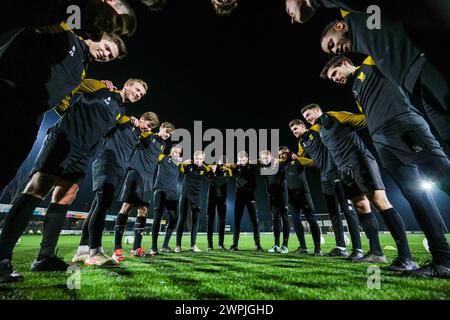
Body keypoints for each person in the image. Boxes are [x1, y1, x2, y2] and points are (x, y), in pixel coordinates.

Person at [0, 77, 145, 283]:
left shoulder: (120, 112)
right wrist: (65, 106)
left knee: (65, 197)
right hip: (65, 140)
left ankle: (45, 257)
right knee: (36, 189)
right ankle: (2, 257)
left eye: (142, 94)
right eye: (137, 89)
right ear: (127, 85)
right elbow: (72, 82)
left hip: (84, 154)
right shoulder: (100, 87)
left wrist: (132, 121)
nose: (138, 94)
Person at [321, 55, 450, 278]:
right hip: (382, 141)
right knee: (414, 194)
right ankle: (442, 260)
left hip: (403, 125)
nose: (335, 79)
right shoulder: (356, 90)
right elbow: (365, 117)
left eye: (335, 74)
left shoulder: (372, 62)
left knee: (444, 176)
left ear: (344, 63)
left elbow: (384, 36)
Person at [0, 21, 127, 191]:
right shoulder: (66, 33)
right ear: (97, 37)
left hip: (32, 117)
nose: (105, 55)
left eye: (110, 56)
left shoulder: (83, 70)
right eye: (106, 48)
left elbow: (64, 97)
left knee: (6, 170)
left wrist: (68, 113)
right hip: (9, 98)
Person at [301, 103, 418, 271]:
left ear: (318, 110)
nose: (308, 119)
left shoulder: (335, 115)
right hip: (344, 170)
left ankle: (406, 257)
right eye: (306, 117)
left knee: (380, 201)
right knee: (361, 206)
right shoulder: (320, 131)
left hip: (360, 162)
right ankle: (376, 252)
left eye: (309, 114)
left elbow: (363, 119)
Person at [319, 13, 450, 146]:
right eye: (332, 51)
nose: (335, 50)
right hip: (390, 128)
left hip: (419, 79)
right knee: (446, 132)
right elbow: (365, 117)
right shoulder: (355, 89)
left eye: (331, 44)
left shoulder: (369, 57)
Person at [71, 110, 157, 265]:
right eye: (148, 125)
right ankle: (95, 251)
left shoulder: (138, 135)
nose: (148, 129)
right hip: (107, 163)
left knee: (97, 206)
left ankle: (82, 250)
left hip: (119, 169)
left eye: (151, 128)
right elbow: (108, 119)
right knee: (102, 205)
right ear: (142, 118)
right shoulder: (125, 121)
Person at [100, 122, 174, 263]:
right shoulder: (147, 135)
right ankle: (117, 248)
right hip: (134, 173)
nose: (167, 135)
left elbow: (157, 159)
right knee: (126, 207)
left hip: (148, 178)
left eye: (170, 134)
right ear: (161, 128)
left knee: (143, 210)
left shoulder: (163, 146)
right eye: (167, 131)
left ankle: (137, 248)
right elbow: (134, 139)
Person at [289, 120, 363, 258]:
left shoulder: (316, 130)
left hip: (338, 172)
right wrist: (296, 158)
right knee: (333, 212)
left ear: (303, 126)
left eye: (296, 128)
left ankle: (358, 249)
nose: (294, 132)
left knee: (347, 210)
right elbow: (300, 158)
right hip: (324, 177)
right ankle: (341, 247)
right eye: (292, 131)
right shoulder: (301, 143)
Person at [278, 146, 322, 254]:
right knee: (296, 221)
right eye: (279, 155)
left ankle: (317, 248)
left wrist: (297, 157)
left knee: (311, 220)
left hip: (304, 195)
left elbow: (314, 162)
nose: (281, 156)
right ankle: (303, 247)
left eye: (283, 153)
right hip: (292, 198)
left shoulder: (298, 160)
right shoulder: (284, 165)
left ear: (288, 152)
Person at [149, 145, 183, 255]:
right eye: (175, 151)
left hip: (172, 193)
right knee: (157, 217)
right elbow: (154, 153)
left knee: (175, 217)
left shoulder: (178, 164)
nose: (176, 154)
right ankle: (153, 247)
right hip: (160, 190)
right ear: (171, 151)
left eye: (179, 153)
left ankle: (165, 246)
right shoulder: (162, 158)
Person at [227, 151, 264, 252]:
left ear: (247, 159)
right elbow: (224, 165)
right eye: (239, 160)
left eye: (243, 160)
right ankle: (234, 245)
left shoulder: (252, 165)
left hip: (250, 196)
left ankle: (258, 245)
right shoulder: (235, 167)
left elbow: (263, 160)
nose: (242, 162)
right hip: (239, 197)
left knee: (254, 221)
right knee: (237, 221)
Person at [175, 151, 210, 253]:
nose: (198, 161)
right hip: (185, 195)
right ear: (193, 158)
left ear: (203, 159)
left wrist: (213, 168)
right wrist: (182, 162)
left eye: (200, 159)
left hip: (196, 197)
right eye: (197, 159)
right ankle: (178, 245)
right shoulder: (188, 166)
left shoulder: (205, 169)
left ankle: (193, 245)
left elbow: (213, 170)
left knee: (196, 220)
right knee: (181, 219)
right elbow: (178, 164)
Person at [206, 159, 232, 251]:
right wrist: (212, 171)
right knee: (210, 221)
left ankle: (221, 244)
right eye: (221, 165)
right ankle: (210, 245)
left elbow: (233, 167)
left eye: (224, 165)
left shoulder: (228, 172)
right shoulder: (212, 171)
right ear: (217, 164)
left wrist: (229, 165)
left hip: (222, 200)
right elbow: (208, 178)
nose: (222, 167)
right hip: (211, 199)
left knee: (222, 222)